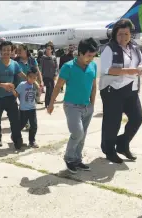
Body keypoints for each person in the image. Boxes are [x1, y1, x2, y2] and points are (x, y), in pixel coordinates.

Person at [99, 18, 142, 164]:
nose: (123, 37)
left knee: (138, 118)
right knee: (113, 122)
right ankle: (109, 150)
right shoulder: (109, 48)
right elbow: (108, 70)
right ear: (115, 34)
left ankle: (122, 143)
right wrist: (131, 70)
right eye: (120, 34)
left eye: (126, 34)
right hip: (112, 90)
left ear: (130, 34)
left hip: (130, 88)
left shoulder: (134, 47)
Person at [47, 38, 98, 174]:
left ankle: (77, 159)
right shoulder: (68, 66)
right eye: (88, 56)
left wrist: (92, 103)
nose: (91, 59)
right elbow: (58, 86)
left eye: (93, 56)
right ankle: (69, 157)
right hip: (72, 106)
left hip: (87, 106)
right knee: (77, 132)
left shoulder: (93, 66)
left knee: (83, 135)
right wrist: (51, 103)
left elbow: (93, 86)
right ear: (80, 53)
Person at [0, 41, 28, 149]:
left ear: (12, 51)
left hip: (10, 97)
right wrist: (2, 85)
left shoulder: (14, 64)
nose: (6, 52)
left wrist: (35, 83)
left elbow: (22, 75)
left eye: (8, 50)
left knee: (15, 120)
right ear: (1, 51)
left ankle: (17, 140)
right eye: (4, 50)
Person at [12, 67, 39, 148]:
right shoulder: (22, 84)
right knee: (22, 125)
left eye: (34, 78)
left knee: (34, 125)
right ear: (27, 77)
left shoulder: (35, 85)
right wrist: (12, 89)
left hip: (32, 108)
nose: (32, 79)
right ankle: (14, 135)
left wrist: (39, 92)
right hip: (24, 109)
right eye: (31, 77)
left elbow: (36, 95)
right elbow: (16, 94)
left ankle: (32, 141)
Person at [41, 44, 58, 108]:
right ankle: (46, 103)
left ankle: (49, 102)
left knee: (51, 90)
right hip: (45, 76)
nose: (47, 50)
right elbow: (41, 67)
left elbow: (56, 67)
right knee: (48, 89)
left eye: (49, 49)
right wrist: (41, 77)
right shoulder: (43, 57)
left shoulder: (54, 58)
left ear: (51, 50)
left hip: (52, 76)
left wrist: (55, 74)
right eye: (47, 49)